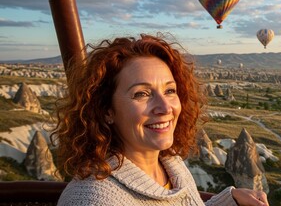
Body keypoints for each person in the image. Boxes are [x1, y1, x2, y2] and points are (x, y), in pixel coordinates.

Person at [51, 33, 269, 206]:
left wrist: (230, 201)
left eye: (170, 91)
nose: (165, 107)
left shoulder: (170, 165)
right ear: (106, 110)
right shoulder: (94, 199)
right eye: (141, 94)